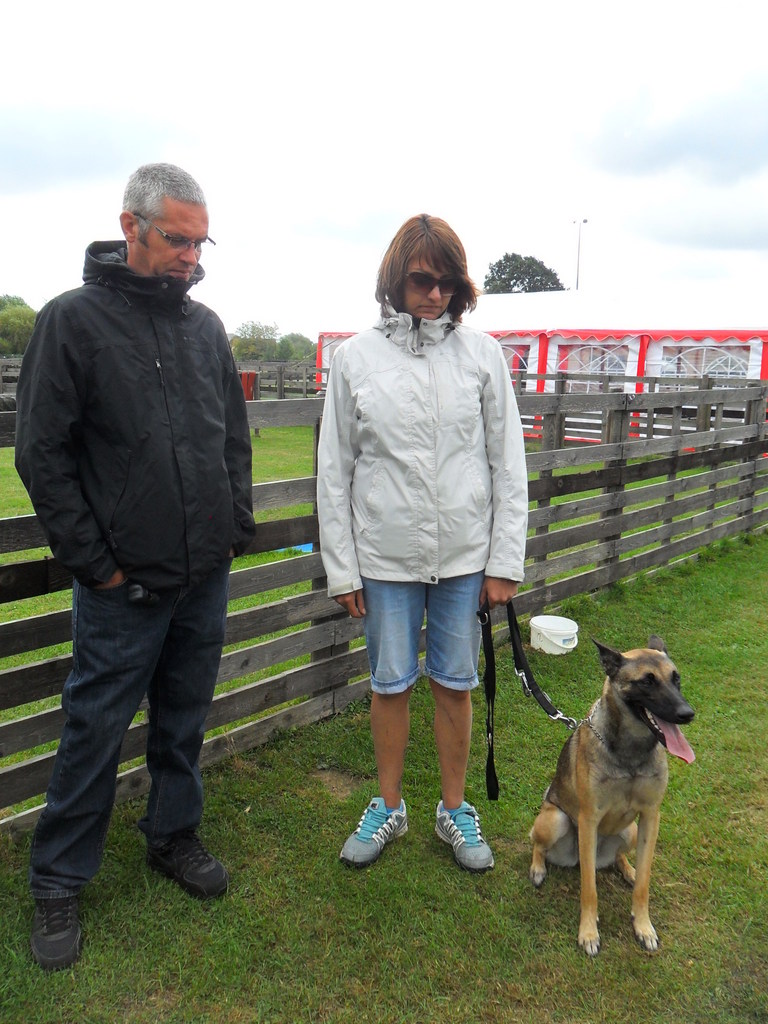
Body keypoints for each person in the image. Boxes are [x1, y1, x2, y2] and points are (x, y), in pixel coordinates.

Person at [14, 163, 256, 970]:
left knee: (183, 720)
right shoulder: (72, 322)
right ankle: (58, 879)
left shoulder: (205, 328)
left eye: (201, 243)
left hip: (201, 577)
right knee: (94, 731)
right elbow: (41, 455)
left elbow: (232, 440)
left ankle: (172, 835)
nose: (191, 257)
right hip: (123, 588)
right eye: (177, 240)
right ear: (131, 226)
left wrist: (232, 527)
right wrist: (98, 567)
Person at [316, 214, 528, 873]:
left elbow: (507, 464)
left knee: (455, 684)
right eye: (420, 280)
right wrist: (343, 569)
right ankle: (388, 804)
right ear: (394, 279)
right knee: (389, 684)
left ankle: (454, 808)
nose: (435, 294)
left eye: (447, 282)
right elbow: (334, 469)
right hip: (384, 559)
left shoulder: (483, 355)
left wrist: (504, 561)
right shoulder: (354, 359)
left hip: (465, 558)